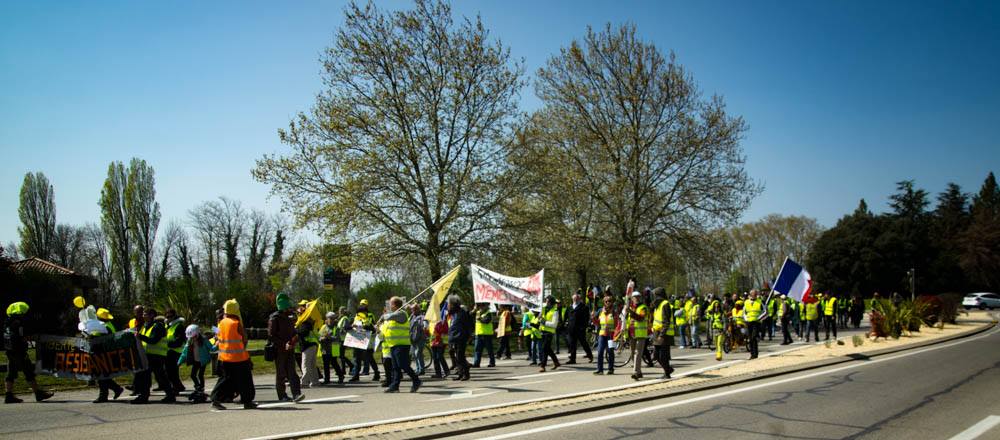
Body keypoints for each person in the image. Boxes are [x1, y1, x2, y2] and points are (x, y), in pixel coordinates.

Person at [210, 299, 257, 410]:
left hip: (224, 358)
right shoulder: (236, 323)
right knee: (245, 380)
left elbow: (217, 338)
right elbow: (244, 339)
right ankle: (247, 401)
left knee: (225, 380)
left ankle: (215, 399)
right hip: (239, 358)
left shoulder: (221, 323)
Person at [4, 302, 54, 404]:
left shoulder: (7, 322)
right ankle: (38, 393)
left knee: (11, 373)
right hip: (19, 351)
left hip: (9, 351)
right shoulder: (19, 322)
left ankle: (8, 395)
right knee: (29, 371)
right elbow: (23, 336)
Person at [133, 307, 175, 404]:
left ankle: (144, 397)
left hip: (157, 355)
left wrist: (140, 337)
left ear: (152, 315)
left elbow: (153, 340)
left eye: (146, 313)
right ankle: (169, 395)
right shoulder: (145, 326)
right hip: (148, 355)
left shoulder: (158, 326)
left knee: (156, 376)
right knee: (155, 376)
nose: (143, 315)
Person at [268, 293, 304, 402]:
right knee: (281, 373)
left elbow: (294, 331)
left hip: (290, 348)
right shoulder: (274, 318)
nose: (289, 308)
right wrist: (284, 344)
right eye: (287, 307)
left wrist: (294, 338)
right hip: (279, 350)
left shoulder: (289, 317)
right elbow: (271, 335)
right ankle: (282, 395)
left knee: (292, 372)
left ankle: (296, 394)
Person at [383, 296, 422, 393]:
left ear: (395, 305)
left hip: (402, 344)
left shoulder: (401, 314)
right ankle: (395, 385)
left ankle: (416, 380)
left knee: (403, 365)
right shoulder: (395, 314)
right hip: (393, 345)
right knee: (395, 366)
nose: (389, 306)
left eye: (390, 304)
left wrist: (384, 316)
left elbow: (390, 316)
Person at [92, 307, 125, 403]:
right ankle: (112, 391)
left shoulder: (104, 327)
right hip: (102, 352)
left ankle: (109, 392)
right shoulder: (105, 325)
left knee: (101, 375)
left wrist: (92, 337)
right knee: (102, 375)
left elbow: (105, 339)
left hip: (104, 353)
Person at [178, 324, 214, 403]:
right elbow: (184, 352)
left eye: (194, 337)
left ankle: (201, 388)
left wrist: (218, 344)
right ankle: (198, 387)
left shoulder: (204, 340)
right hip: (195, 361)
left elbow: (211, 348)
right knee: (192, 375)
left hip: (203, 361)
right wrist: (180, 361)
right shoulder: (189, 341)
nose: (193, 338)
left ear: (198, 334)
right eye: (191, 337)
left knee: (200, 375)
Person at [349, 299, 380, 382]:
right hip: (357, 340)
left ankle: (376, 373)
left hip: (367, 341)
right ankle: (356, 375)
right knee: (357, 358)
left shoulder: (369, 316)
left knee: (369, 358)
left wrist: (362, 326)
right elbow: (348, 327)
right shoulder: (355, 317)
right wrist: (352, 326)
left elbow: (372, 328)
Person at [650, 288, 675, 379]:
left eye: (654, 295)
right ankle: (668, 369)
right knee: (656, 355)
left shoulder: (665, 304)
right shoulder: (658, 305)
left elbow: (666, 322)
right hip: (657, 333)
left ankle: (667, 373)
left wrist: (662, 335)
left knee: (662, 356)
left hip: (664, 335)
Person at [296, 303, 322, 388]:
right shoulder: (310, 322)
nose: (298, 315)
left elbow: (303, 333)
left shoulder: (304, 323)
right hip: (312, 345)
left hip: (308, 346)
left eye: (299, 313)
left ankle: (304, 382)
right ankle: (315, 382)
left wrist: (296, 331)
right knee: (312, 365)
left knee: (305, 365)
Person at [447, 295, 471, 381]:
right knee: (457, 357)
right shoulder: (454, 314)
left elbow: (467, 326)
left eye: (449, 304)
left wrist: (468, 336)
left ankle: (466, 374)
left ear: (453, 304)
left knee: (460, 357)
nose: (448, 305)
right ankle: (460, 373)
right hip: (454, 337)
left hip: (461, 337)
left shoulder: (462, 313)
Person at [163, 308, 187, 393]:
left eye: (170, 316)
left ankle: (177, 387)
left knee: (171, 371)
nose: (168, 318)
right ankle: (178, 386)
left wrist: (167, 344)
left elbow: (179, 341)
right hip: (168, 351)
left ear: (174, 316)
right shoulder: (167, 326)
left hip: (176, 351)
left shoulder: (179, 326)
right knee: (170, 371)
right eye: (167, 316)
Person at [566, 293, 593, 364]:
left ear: (579, 299)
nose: (575, 299)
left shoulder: (584, 307)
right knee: (572, 344)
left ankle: (590, 355)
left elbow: (586, 318)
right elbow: (566, 317)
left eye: (577, 298)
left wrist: (584, 327)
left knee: (583, 343)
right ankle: (572, 359)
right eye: (574, 298)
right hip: (571, 329)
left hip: (580, 329)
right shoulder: (570, 307)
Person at [627, 292, 648, 380]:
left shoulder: (643, 307)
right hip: (631, 333)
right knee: (632, 353)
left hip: (640, 334)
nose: (637, 298)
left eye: (638, 297)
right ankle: (638, 371)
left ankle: (635, 372)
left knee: (638, 353)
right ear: (632, 298)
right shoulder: (630, 307)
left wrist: (631, 312)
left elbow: (641, 318)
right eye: (635, 297)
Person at [319, 312, 345, 384]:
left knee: (334, 363)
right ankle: (327, 379)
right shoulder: (323, 327)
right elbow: (319, 336)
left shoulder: (336, 328)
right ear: (327, 319)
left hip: (334, 347)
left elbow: (338, 338)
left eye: (332, 319)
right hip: (325, 347)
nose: (331, 320)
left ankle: (340, 376)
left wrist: (330, 337)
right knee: (326, 364)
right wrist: (322, 338)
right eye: (330, 318)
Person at [538, 295, 561, 373]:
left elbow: (554, 324)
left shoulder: (555, 311)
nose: (546, 302)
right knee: (547, 348)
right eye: (545, 301)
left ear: (551, 303)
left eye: (547, 301)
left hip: (549, 332)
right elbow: (540, 318)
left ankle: (543, 366)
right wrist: (539, 318)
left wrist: (544, 322)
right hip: (543, 331)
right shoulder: (543, 309)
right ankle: (556, 362)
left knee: (544, 348)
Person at [593, 296, 616, 375]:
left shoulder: (613, 312)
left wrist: (616, 333)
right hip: (602, 334)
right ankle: (600, 369)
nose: (608, 302)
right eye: (606, 301)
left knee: (610, 352)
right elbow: (597, 323)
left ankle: (610, 369)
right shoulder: (600, 311)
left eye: (609, 301)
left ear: (611, 302)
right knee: (600, 351)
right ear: (604, 302)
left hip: (611, 335)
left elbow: (617, 324)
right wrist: (593, 318)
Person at [472, 303, 496, 368]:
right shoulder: (477, 312)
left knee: (489, 350)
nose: (481, 307)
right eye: (480, 305)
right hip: (478, 334)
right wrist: (474, 309)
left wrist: (480, 319)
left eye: (483, 305)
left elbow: (486, 321)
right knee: (477, 350)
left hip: (487, 335)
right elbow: (469, 315)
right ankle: (476, 363)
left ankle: (492, 362)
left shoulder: (488, 313)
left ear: (486, 306)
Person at [743, 290, 763, 359]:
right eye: (753, 294)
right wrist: (746, 319)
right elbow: (744, 312)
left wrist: (759, 319)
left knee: (754, 337)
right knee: (750, 338)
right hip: (749, 322)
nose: (755, 295)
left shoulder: (760, 301)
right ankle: (752, 354)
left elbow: (766, 312)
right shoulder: (746, 302)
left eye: (755, 294)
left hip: (756, 322)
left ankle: (755, 354)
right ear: (750, 294)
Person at [409, 304, 428, 376]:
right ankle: (417, 369)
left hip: (420, 338)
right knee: (414, 354)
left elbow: (425, 323)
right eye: (411, 309)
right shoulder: (412, 317)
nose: (412, 311)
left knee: (418, 354)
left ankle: (421, 369)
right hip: (412, 338)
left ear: (417, 309)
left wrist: (425, 326)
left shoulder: (422, 317)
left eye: (413, 309)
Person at [430, 313, 450, 378]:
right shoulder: (431, 322)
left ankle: (446, 371)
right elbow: (431, 332)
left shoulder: (443, 321)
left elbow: (445, 330)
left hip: (440, 342)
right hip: (433, 342)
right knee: (435, 358)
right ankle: (438, 373)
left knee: (440, 357)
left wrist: (438, 333)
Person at [335, 306, 355, 373]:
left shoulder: (345, 318)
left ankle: (349, 366)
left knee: (340, 355)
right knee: (340, 355)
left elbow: (346, 327)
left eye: (341, 310)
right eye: (339, 310)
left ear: (344, 311)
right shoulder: (341, 318)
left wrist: (341, 330)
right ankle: (344, 369)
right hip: (339, 339)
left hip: (342, 339)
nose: (340, 311)